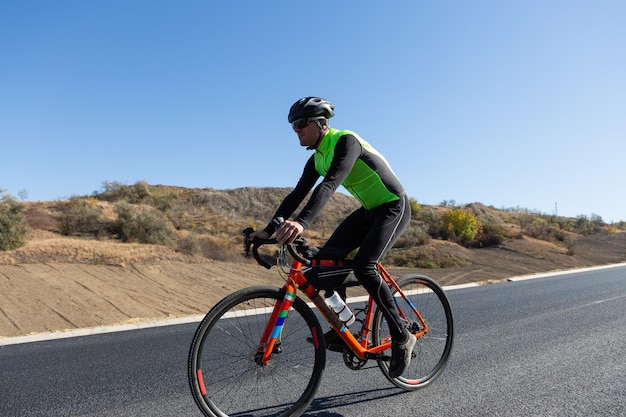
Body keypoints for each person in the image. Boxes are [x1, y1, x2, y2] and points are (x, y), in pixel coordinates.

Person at [248, 97, 415, 378]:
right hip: (369, 211)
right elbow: (297, 194)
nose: (296, 131)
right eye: (293, 126)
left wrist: (301, 223)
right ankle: (344, 326)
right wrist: (267, 230)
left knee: (365, 266)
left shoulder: (346, 142)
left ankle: (402, 335)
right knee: (323, 261)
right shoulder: (316, 157)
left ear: (320, 123)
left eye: (301, 124)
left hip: (393, 206)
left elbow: (330, 185)